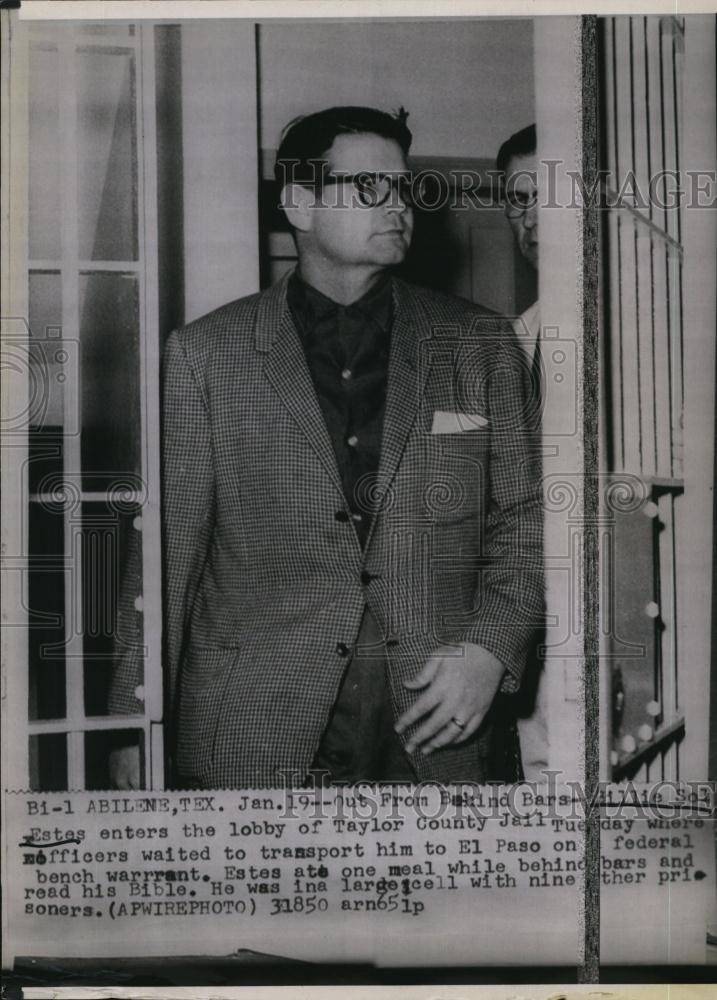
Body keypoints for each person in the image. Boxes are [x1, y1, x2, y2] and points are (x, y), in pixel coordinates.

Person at [109, 106, 543, 789]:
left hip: (438, 720)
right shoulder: (204, 355)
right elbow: (164, 556)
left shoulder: (480, 345)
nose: (397, 205)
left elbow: (526, 520)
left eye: (403, 189)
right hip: (252, 723)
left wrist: (491, 649)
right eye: (370, 187)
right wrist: (132, 720)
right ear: (300, 203)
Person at [496, 122, 549, 780]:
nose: (531, 214)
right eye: (517, 197)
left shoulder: (667, 324)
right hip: (535, 622)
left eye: (548, 191)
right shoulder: (510, 342)